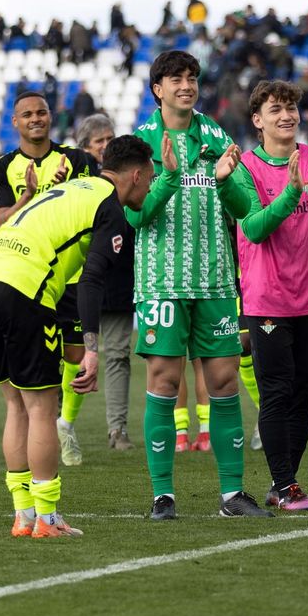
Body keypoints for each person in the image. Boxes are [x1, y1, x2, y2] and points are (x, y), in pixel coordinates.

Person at [0, 135, 156, 538]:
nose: (150, 187)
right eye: (151, 179)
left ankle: (23, 515)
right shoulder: (110, 207)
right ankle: (48, 518)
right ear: (137, 175)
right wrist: (91, 349)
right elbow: (90, 281)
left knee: (16, 406)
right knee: (41, 408)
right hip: (22, 290)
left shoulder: (71, 186)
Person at [117, 49, 270, 521]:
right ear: (157, 88)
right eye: (175, 78)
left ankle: (232, 495)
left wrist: (226, 183)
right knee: (164, 381)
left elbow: (245, 207)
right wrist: (164, 178)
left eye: (191, 78)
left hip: (217, 280)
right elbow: (133, 214)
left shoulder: (217, 135)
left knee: (224, 382)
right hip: (161, 283)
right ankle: (163, 495)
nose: (186, 85)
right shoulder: (138, 144)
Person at [223, 80, 308, 510]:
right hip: (268, 298)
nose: (286, 116)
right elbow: (254, 227)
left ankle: (284, 484)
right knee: (277, 390)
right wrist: (293, 192)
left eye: (291, 108)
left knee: (304, 392)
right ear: (258, 121)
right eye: (276, 109)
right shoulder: (245, 169)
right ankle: (286, 483)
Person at [0, 91, 97, 466]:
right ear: (15, 122)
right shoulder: (3, 166)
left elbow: (94, 206)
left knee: (75, 355)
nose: (36, 119)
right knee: (39, 367)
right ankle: (48, 424)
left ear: (51, 117)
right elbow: (3, 219)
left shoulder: (78, 160)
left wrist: (66, 189)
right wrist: (33, 195)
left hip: (71, 276)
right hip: (29, 278)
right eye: (27, 114)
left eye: (42, 112)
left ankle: (64, 424)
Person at [73, 113, 136, 451]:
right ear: (84, 147)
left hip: (119, 277)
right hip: (79, 279)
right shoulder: (76, 180)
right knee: (69, 352)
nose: (106, 146)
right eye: (99, 141)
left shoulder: (129, 181)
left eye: (110, 138)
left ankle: (117, 429)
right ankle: (58, 422)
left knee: (118, 355)